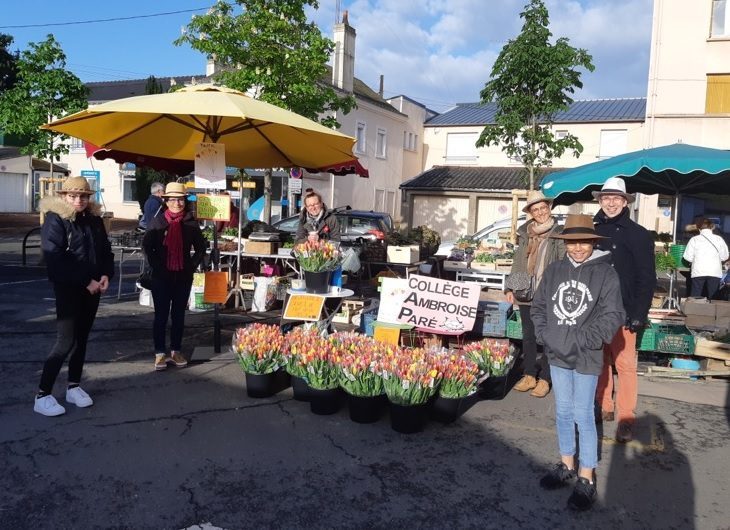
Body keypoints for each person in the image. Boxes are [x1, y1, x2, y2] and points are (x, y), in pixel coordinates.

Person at [531, 214, 625, 512]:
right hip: (557, 353)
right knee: (562, 410)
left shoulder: (606, 274)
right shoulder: (555, 270)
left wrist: (586, 339)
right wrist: (547, 336)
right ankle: (566, 463)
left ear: (593, 242)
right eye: (572, 242)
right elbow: (539, 307)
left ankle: (586, 477)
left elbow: (613, 315)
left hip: (586, 355)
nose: (578, 248)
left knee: (583, 414)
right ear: (566, 243)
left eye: (584, 242)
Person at [34, 177, 115, 416]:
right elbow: (55, 258)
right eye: (73, 196)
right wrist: (85, 280)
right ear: (64, 197)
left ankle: (73, 386)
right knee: (65, 341)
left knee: (81, 339)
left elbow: (105, 251)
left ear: (89, 198)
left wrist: (106, 274)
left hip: (93, 288)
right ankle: (42, 394)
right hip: (69, 288)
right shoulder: (55, 219)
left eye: (83, 196)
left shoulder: (94, 221)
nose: (78, 200)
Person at [592, 177, 656, 443]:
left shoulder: (638, 234)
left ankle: (626, 417)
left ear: (625, 201)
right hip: (595, 310)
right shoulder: (591, 228)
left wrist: (639, 313)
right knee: (599, 361)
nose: (610, 202)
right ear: (600, 200)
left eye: (616, 198)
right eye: (606, 198)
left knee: (625, 364)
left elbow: (647, 277)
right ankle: (603, 404)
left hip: (625, 310)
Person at [505, 190, 565, 398]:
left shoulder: (559, 232)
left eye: (543, 207)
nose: (540, 212)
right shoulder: (525, 232)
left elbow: (562, 264)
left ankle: (545, 379)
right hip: (525, 291)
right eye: (535, 209)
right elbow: (519, 261)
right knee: (528, 336)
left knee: (548, 338)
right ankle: (530, 374)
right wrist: (511, 287)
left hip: (548, 293)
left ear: (549, 208)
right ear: (531, 212)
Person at [142, 182, 207, 371]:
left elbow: (201, 248)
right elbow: (147, 247)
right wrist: (157, 266)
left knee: (178, 316)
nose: (177, 203)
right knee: (161, 316)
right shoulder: (158, 222)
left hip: (183, 276)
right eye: (172, 200)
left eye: (180, 200)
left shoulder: (190, 222)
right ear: (166, 201)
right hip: (161, 277)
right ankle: (160, 353)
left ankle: (176, 350)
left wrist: (191, 266)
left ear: (184, 201)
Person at [683, 219, 729, 299]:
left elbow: (688, 257)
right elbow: (725, 256)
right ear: (712, 228)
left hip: (698, 271)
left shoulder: (694, 240)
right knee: (713, 298)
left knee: (695, 297)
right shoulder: (719, 239)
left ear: (699, 229)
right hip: (715, 272)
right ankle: (711, 311)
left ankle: (695, 311)